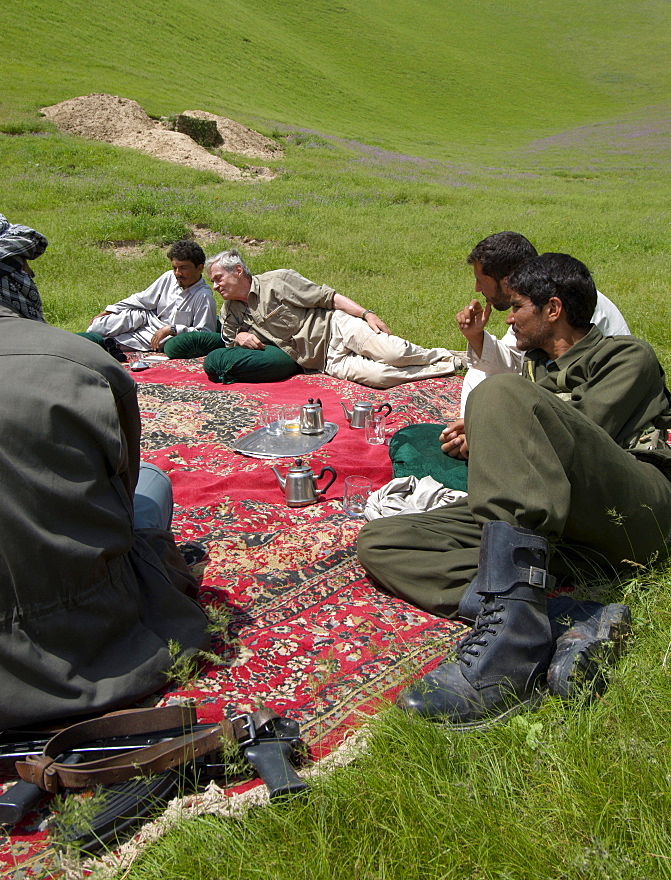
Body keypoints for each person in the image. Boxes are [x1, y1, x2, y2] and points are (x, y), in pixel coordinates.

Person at [357, 254, 671, 725]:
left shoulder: (627, 355)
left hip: (635, 515)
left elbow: (583, 434)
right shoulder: (536, 371)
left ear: (553, 309)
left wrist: (495, 418)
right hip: (569, 533)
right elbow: (532, 457)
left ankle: (511, 651)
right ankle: (565, 613)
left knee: (497, 393)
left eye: (517, 306)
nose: (508, 317)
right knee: (384, 542)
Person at [0, 217, 209, 729]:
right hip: (72, 624)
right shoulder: (82, 367)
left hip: (169, 338)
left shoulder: (201, 296)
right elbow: (125, 487)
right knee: (155, 483)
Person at [201, 250, 462, 389]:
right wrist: (239, 337)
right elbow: (228, 342)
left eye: (218, 279)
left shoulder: (277, 281)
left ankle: (444, 354)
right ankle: (451, 363)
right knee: (381, 378)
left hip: (337, 327)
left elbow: (328, 297)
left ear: (237, 270)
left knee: (393, 353)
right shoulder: (230, 311)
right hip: (323, 360)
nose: (215, 286)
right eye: (212, 282)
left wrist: (366, 314)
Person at [456, 231, 629, 415]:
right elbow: (516, 358)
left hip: (582, 394)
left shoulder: (566, 303)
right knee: (478, 377)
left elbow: (568, 381)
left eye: (481, 281)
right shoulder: (536, 303)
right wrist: (475, 336)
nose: (477, 288)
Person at [86, 239, 217, 352]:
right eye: (175, 268)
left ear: (199, 268)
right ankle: (87, 337)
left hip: (163, 337)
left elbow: (205, 334)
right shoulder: (168, 277)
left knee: (109, 344)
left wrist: (172, 329)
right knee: (102, 324)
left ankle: (102, 346)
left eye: (183, 268)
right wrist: (108, 310)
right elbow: (142, 299)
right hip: (146, 320)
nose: (177, 273)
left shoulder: (203, 296)